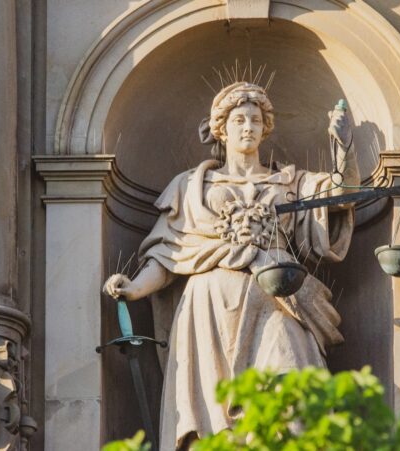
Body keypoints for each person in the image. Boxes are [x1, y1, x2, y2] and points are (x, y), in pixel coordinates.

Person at [103, 81, 359, 449]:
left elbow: (342, 195)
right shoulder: (191, 187)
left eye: (256, 120)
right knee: (212, 418)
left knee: (292, 391)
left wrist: (344, 147)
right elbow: (169, 253)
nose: (248, 127)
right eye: (239, 119)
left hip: (281, 299)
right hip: (209, 313)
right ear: (221, 128)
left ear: (265, 128)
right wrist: (134, 288)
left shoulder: (290, 183)